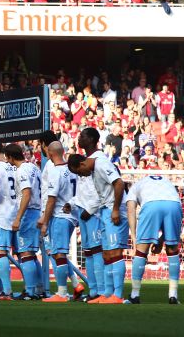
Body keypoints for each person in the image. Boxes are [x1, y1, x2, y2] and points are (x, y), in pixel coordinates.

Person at [68, 127, 128, 304]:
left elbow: (119, 183)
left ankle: (117, 295)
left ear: (82, 165)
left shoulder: (101, 163)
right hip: (105, 210)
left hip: (112, 210)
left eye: (79, 172)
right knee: (107, 254)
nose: (82, 175)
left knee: (115, 252)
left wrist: (116, 209)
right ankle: (107, 294)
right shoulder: (93, 167)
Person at [125, 175, 183, 304]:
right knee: (172, 249)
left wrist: (134, 239)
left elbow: (131, 211)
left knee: (141, 251)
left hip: (151, 204)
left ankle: (135, 295)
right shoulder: (165, 181)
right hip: (174, 204)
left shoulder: (133, 187)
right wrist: (161, 241)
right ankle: (173, 295)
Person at [40, 141, 79, 302]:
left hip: (60, 216)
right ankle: (72, 287)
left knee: (59, 253)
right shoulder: (72, 170)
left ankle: (62, 293)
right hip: (72, 215)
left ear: (49, 154)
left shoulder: (55, 172)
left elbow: (51, 199)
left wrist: (44, 222)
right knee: (58, 253)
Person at [4, 143, 42, 300]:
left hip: (28, 212)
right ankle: (39, 289)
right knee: (31, 254)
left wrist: (18, 217)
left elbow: (26, 193)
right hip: (37, 210)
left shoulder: (21, 171)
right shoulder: (34, 167)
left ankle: (29, 291)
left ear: (11, 157)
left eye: (7, 158)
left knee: (25, 253)